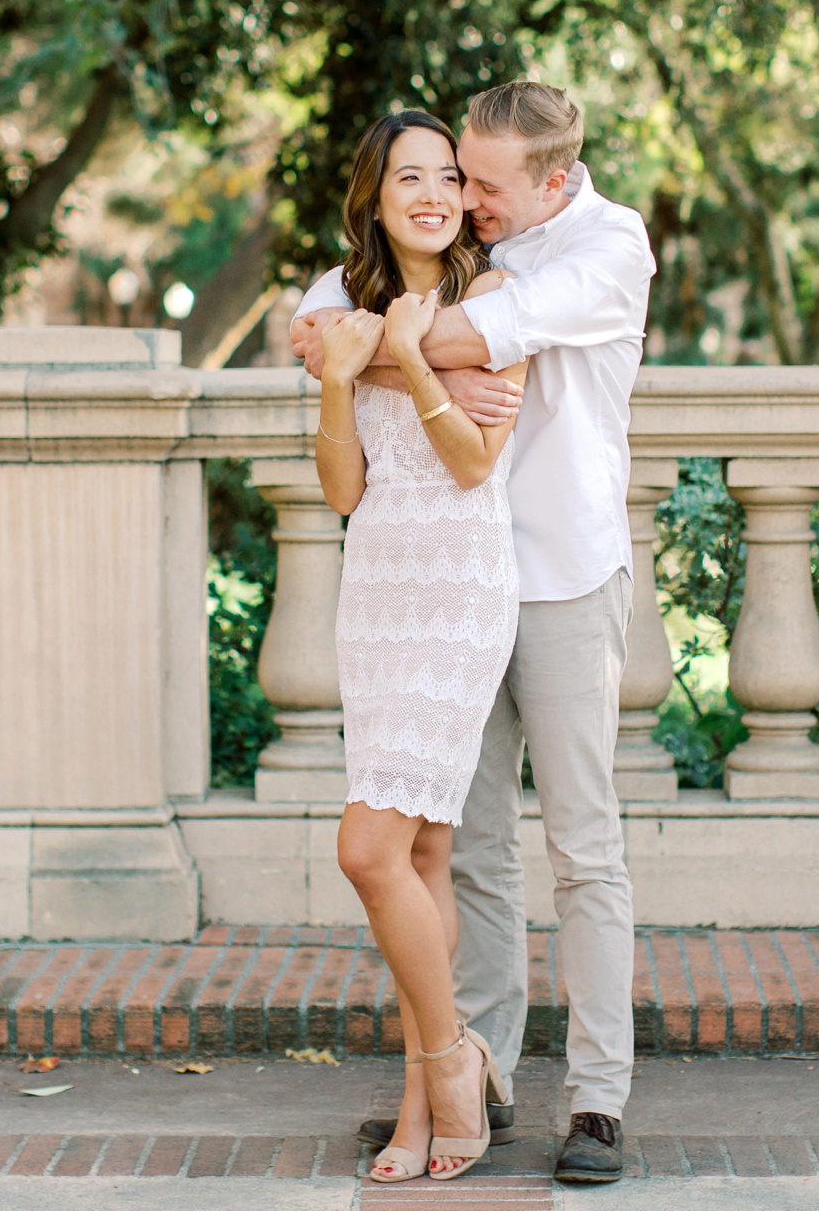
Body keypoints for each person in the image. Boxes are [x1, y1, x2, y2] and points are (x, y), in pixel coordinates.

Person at [294, 81, 656, 1186]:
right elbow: (313, 328)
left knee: (580, 849)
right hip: (435, 581)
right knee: (469, 848)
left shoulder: (607, 245)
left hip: (555, 573)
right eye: (453, 175)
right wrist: (366, 341)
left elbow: (471, 327)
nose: (467, 197)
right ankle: (481, 1073)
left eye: (482, 183)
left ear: (552, 179)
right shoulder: (465, 246)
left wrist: (392, 344)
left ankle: (595, 1098)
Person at [315, 109, 527, 1183]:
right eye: (410, 177)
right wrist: (341, 379)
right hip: (377, 585)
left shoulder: (493, 299)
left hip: (458, 585)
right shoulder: (335, 303)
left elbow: (473, 461)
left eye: (448, 175)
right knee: (419, 855)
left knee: (366, 849)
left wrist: (403, 356)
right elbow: (343, 488)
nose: (434, 194)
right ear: (376, 195)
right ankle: (420, 1110)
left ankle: (450, 1062)